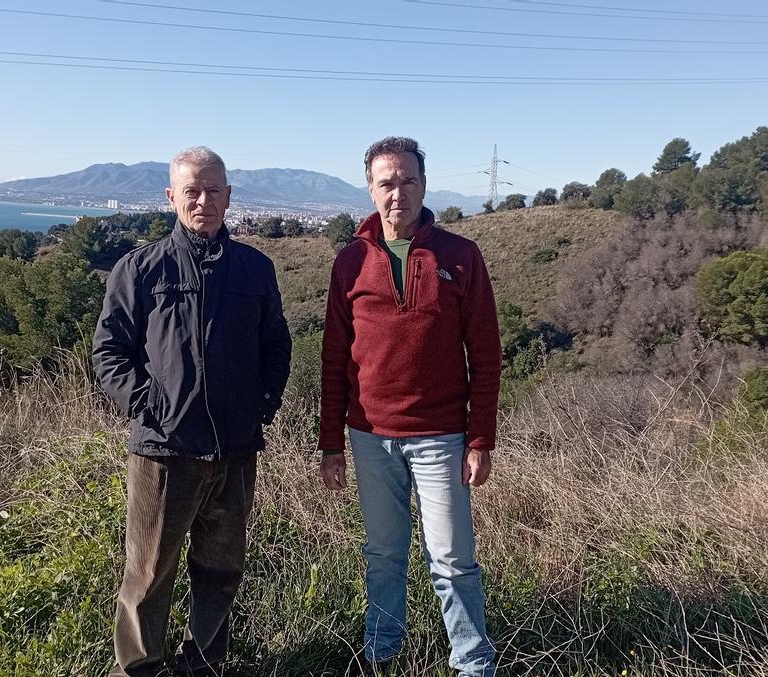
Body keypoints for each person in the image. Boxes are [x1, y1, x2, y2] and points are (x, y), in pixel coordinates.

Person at [93, 146, 291, 677]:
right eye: (191, 191)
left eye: (213, 190)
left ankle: (202, 666)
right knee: (149, 574)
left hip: (235, 450)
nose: (203, 200)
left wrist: (262, 405)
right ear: (172, 198)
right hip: (164, 453)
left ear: (228, 196)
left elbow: (276, 344)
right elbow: (109, 352)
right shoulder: (139, 269)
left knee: (221, 570)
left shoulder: (256, 269)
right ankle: (139, 669)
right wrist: (148, 405)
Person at [318, 136, 501, 676]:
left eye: (409, 181)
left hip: (442, 435)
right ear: (371, 189)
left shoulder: (460, 256)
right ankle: (380, 654)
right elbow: (334, 360)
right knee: (383, 556)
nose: (398, 193)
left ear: (424, 184)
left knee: (452, 562)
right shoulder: (349, 261)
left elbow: (486, 354)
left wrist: (480, 438)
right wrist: (330, 443)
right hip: (369, 436)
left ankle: (473, 664)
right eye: (387, 183)